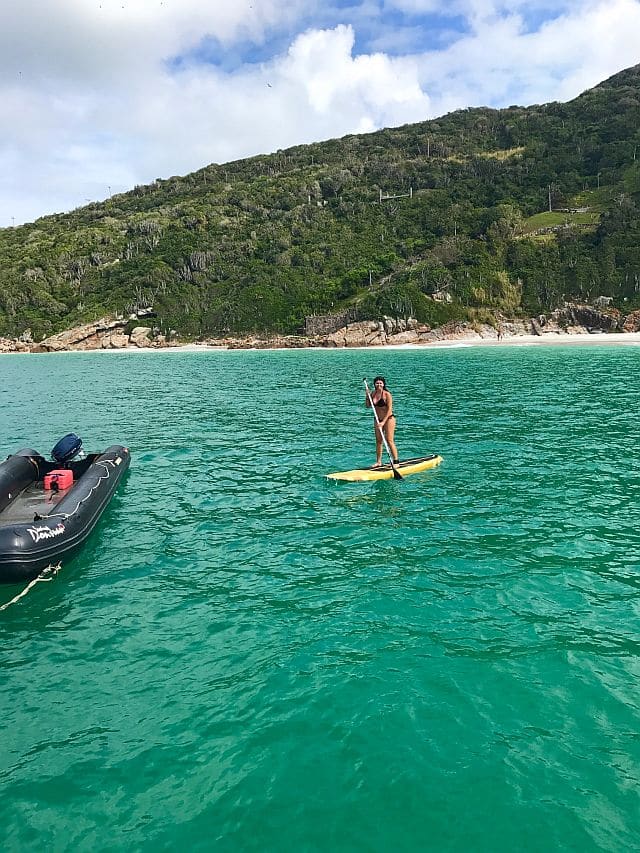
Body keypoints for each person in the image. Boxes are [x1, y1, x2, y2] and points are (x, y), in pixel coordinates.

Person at [365, 375, 399, 467]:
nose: (379, 384)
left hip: (388, 419)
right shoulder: (373, 394)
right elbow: (368, 406)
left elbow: (389, 410)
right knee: (379, 441)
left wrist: (383, 422)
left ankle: (396, 462)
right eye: (377, 383)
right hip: (377, 420)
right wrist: (367, 396)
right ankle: (379, 462)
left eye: (380, 383)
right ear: (375, 384)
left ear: (383, 384)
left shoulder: (387, 394)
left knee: (389, 440)